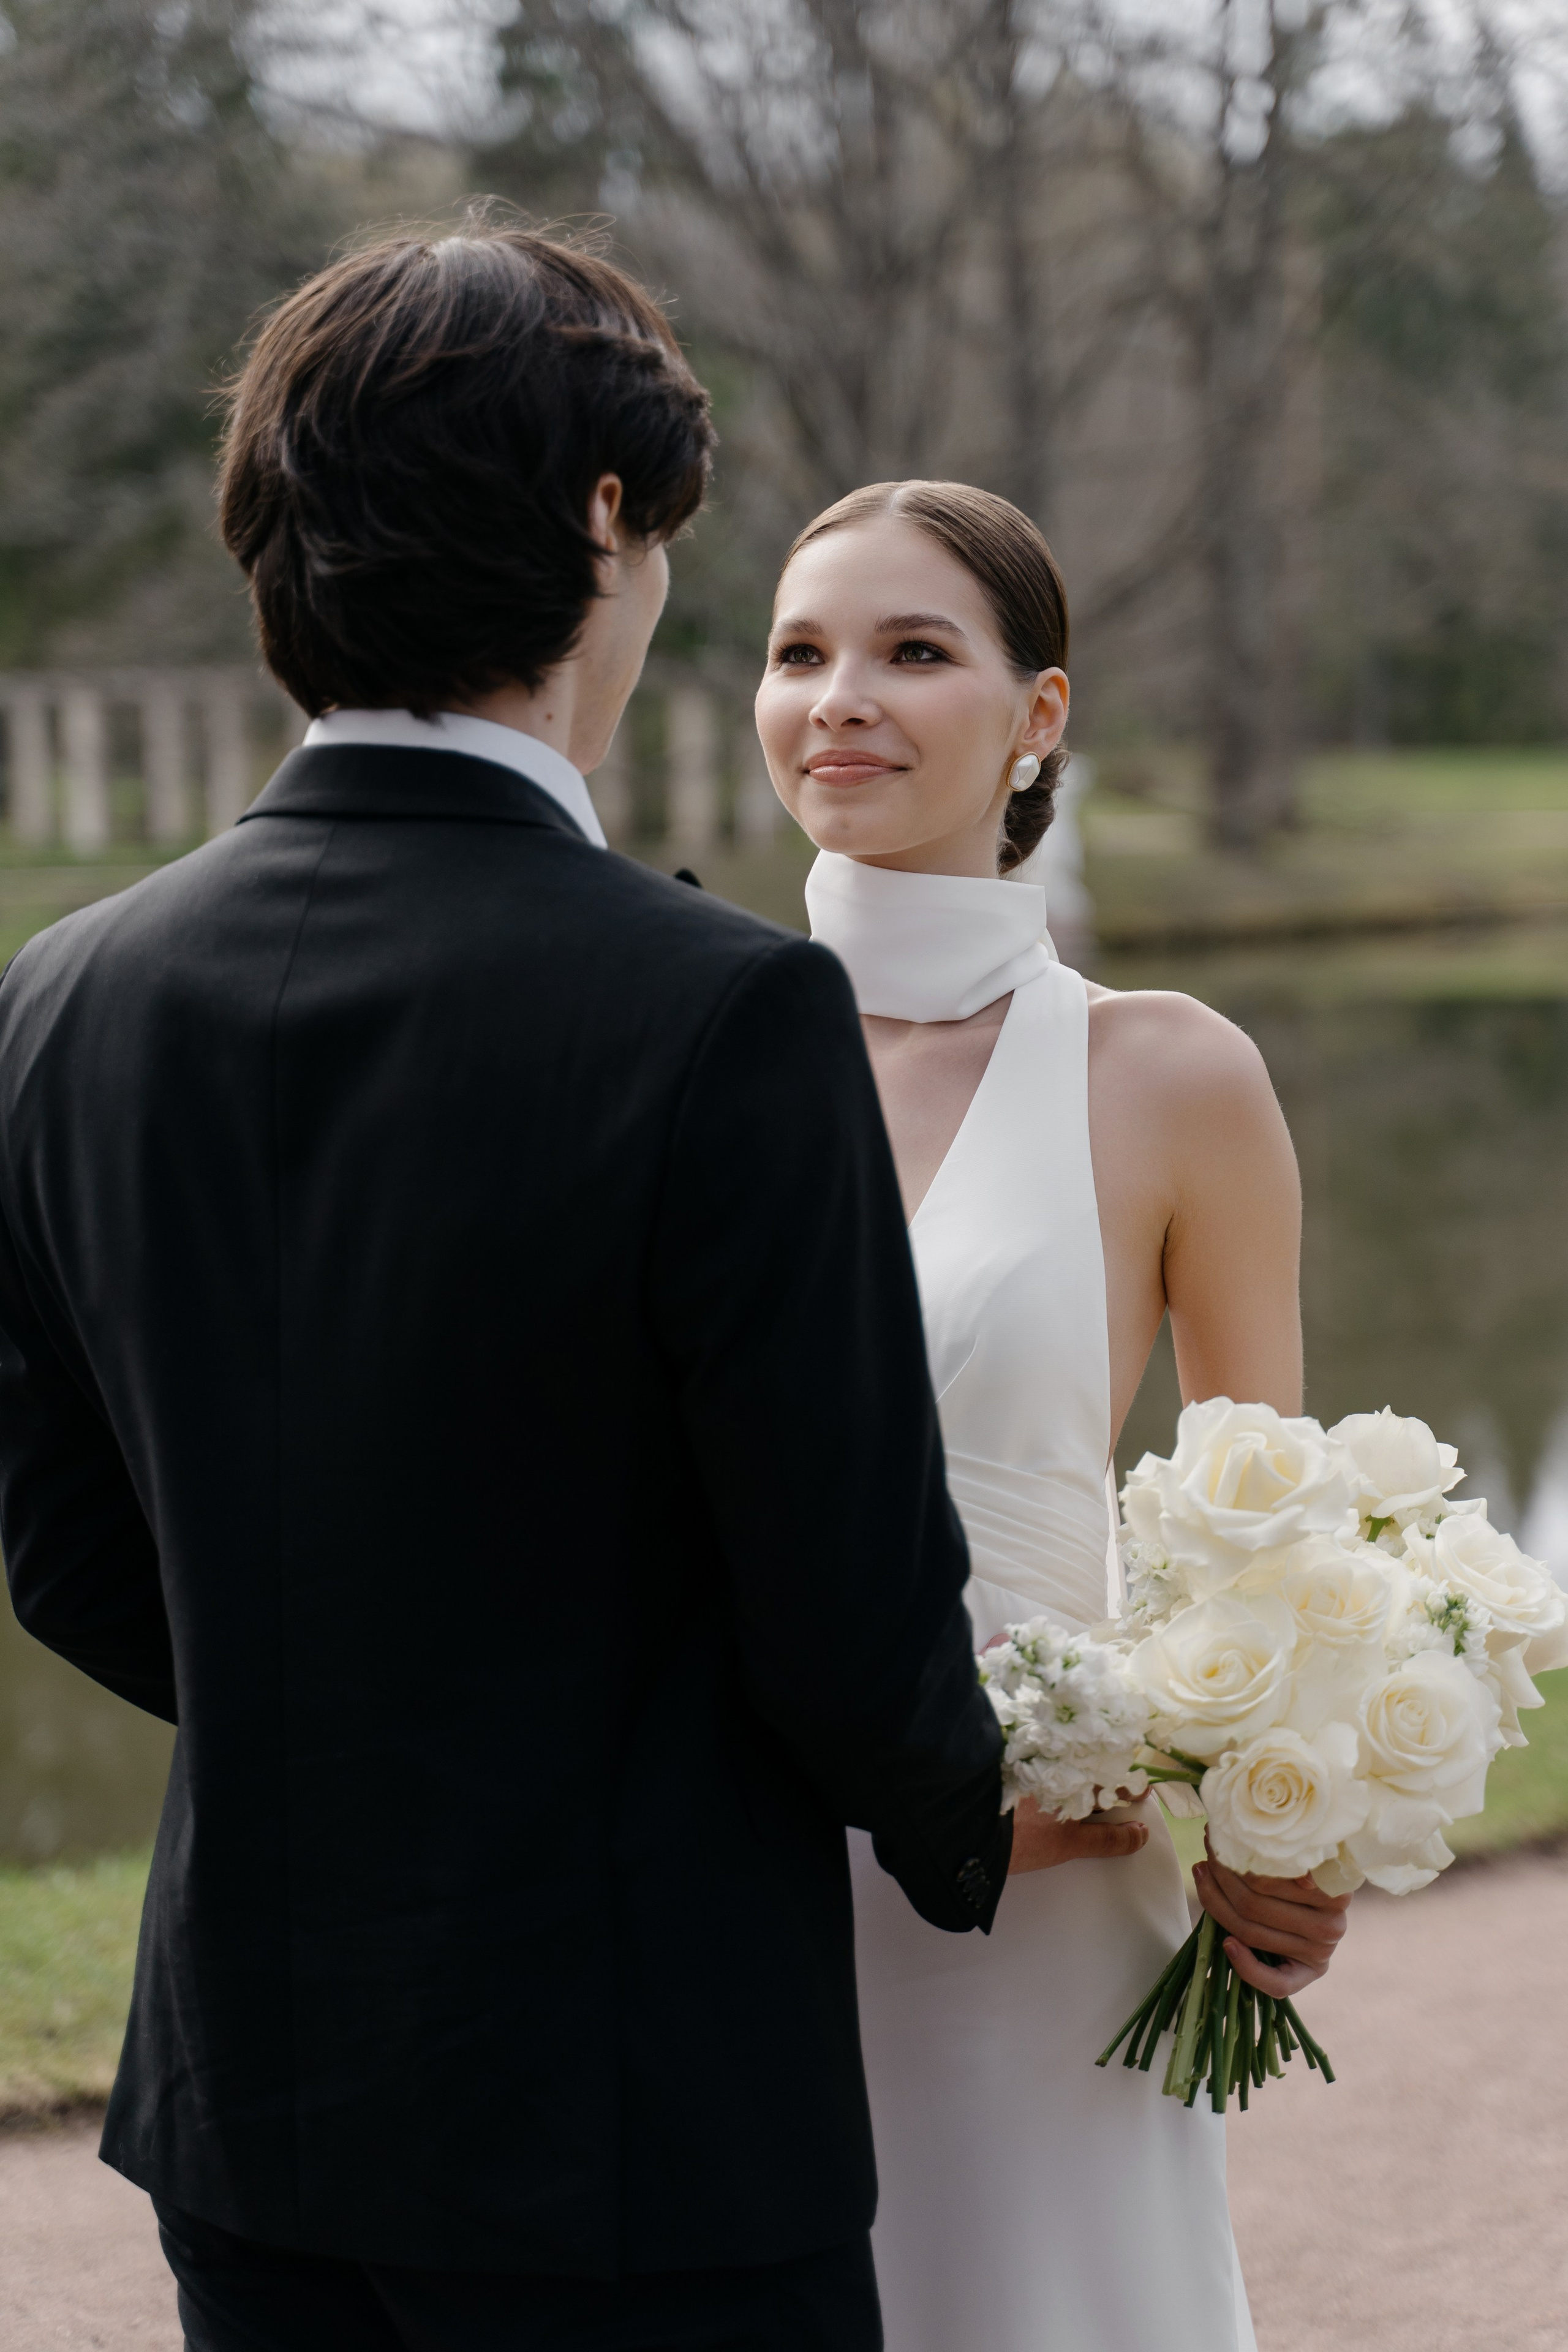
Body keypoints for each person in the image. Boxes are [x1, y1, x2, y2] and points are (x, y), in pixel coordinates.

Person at [0, 232, 1087, 2352]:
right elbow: (853, 1612)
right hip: (636, 2125)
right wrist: (992, 1835)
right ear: (606, 517)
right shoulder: (723, 1014)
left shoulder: (60, 997)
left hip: (251, 2113)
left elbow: (63, 1561)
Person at [753, 478, 1355, 2352]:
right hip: (725, 1874)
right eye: (799, 652)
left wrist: (1285, 1812)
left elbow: (1269, 1522)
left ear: (1038, 717)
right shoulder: (664, 1045)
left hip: (1050, 1880)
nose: (840, 696)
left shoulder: (1166, 1072)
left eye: (913, 651)